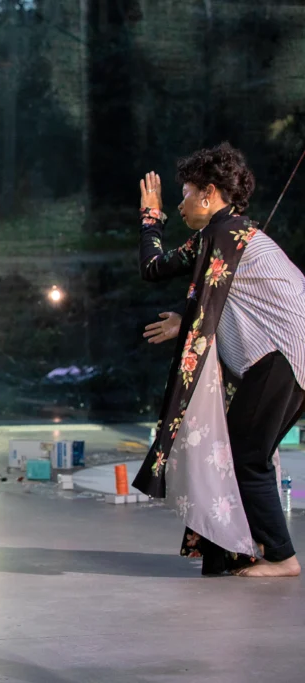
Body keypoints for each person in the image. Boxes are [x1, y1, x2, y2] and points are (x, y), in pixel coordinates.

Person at [134, 142, 304, 578]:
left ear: (209, 194)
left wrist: (184, 322)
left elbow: (206, 299)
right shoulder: (222, 237)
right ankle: (261, 546)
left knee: (246, 454)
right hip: (282, 359)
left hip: (282, 356)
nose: (180, 202)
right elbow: (156, 268)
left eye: (186, 192)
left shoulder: (226, 234)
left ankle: (282, 558)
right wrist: (150, 219)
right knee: (250, 453)